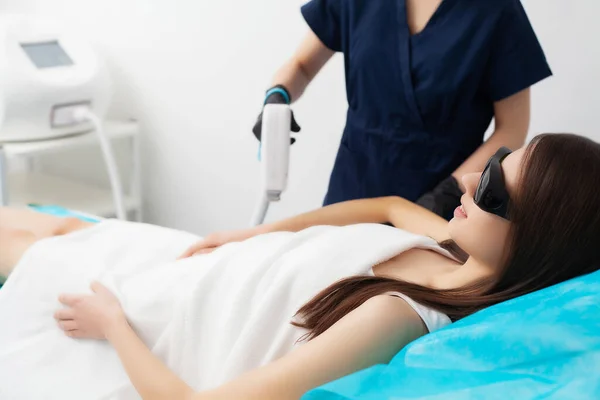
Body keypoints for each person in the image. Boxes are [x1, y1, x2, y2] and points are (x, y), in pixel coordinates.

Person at [2, 133, 600, 400]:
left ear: (537, 240)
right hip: (211, 266)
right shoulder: (453, 246)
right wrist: (253, 232)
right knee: (44, 222)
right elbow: (387, 206)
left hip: (164, 319)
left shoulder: (399, 315)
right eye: (494, 160)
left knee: (25, 249)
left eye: (493, 185)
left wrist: (112, 325)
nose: (469, 178)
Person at [252, 0, 552, 220]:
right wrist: (278, 95)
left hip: (440, 207)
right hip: (351, 192)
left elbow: (512, 129)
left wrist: (447, 194)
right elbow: (302, 66)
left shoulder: (497, 12)